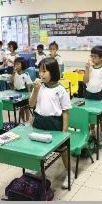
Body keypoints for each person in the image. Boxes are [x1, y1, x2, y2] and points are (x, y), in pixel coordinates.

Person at [28, 57, 75, 189]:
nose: (41, 74)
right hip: (39, 121)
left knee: (63, 150)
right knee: (39, 148)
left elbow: (65, 111)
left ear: (53, 72)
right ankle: (39, 171)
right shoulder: (39, 86)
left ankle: (69, 173)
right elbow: (31, 104)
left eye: (44, 71)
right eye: (40, 71)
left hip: (55, 123)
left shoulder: (61, 90)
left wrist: (64, 132)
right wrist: (36, 90)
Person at [82, 46, 102, 137]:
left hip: (100, 95)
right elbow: (85, 81)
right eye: (92, 56)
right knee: (90, 114)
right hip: (89, 94)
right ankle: (92, 131)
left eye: (95, 56)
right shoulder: (90, 68)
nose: (92, 58)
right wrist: (87, 69)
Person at [9, 57, 33, 124]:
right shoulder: (15, 73)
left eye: (18, 64)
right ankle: (23, 120)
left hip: (24, 92)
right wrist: (13, 74)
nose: (16, 66)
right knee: (21, 108)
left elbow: (28, 85)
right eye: (15, 64)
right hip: (17, 92)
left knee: (26, 108)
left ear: (22, 65)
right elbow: (11, 81)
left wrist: (29, 95)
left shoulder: (26, 74)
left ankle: (27, 121)